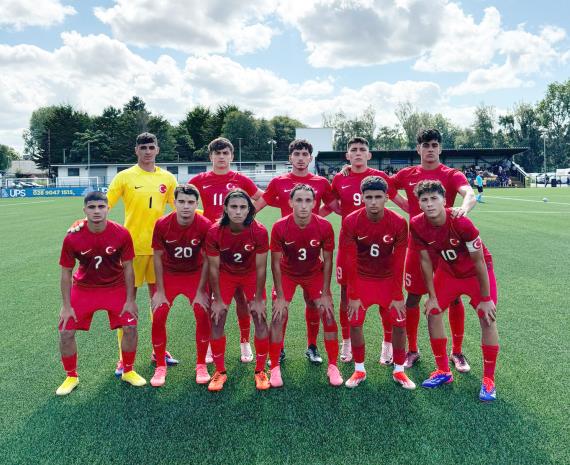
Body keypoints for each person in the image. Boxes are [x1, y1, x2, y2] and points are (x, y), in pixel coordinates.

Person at [392, 128, 476, 371]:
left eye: (434, 145)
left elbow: (469, 193)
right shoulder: (407, 174)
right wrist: (407, 206)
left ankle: (457, 352)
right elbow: (385, 186)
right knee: (413, 297)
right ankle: (412, 350)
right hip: (417, 246)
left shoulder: (451, 174)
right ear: (418, 148)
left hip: (445, 248)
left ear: (440, 148)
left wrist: (464, 208)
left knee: (454, 297)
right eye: (425, 145)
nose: (430, 149)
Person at [410, 180, 500, 401]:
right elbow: (425, 261)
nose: (429, 204)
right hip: (448, 272)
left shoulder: (461, 222)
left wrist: (486, 298)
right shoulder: (416, 223)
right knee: (433, 312)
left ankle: (489, 380)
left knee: (487, 317)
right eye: (424, 200)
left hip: (475, 273)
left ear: (444, 200)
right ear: (419, 203)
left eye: (434, 198)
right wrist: (431, 296)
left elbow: (479, 261)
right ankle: (443, 371)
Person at [56, 192, 146, 395]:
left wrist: (131, 300)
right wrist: (66, 306)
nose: (96, 211)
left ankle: (128, 371)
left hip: (115, 287)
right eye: (92, 207)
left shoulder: (121, 233)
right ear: (84, 210)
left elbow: (129, 268)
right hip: (84, 289)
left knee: (130, 327)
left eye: (101, 207)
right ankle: (71, 376)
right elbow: (66, 272)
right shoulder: (72, 237)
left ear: (108, 208)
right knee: (66, 331)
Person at [330, 137, 409, 365]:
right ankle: (347, 342)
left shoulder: (381, 177)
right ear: (347, 155)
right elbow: (332, 204)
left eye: (362, 149)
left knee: (387, 296)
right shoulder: (340, 178)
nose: (357, 153)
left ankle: (387, 345)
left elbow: (400, 202)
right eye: (353, 150)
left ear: (369, 154)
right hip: (351, 245)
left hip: (381, 246)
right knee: (346, 294)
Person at [257, 138, 336, 365]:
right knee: (280, 306)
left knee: (313, 303)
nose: (301, 158)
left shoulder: (321, 182)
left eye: (305, 154)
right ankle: (279, 349)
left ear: (310, 158)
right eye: (297, 154)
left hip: (311, 253)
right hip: (286, 251)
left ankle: (312, 346)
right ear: (290, 158)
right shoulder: (278, 181)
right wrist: (231, 221)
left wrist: (315, 219)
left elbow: (334, 205)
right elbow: (259, 205)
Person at [189, 137, 264, 364]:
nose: (221, 157)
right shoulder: (199, 180)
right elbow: (183, 199)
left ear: (231, 156)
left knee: (241, 297)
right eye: (217, 153)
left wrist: (246, 217)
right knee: (210, 296)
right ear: (211, 156)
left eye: (225, 153)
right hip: (210, 243)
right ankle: (210, 345)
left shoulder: (240, 179)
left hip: (237, 243)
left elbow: (262, 197)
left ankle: (244, 341)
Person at [342, 176, 415, 389]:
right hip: (362, 279)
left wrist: (397, 295)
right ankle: (359, 369)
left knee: (399, 323)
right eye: (369, 197)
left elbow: (399, 261)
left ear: (386, 198)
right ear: (362, 198)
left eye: (378, 197)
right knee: (355, 322)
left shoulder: (398, 222)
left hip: (387, 280)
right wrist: (353, 295)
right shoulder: (351, 221)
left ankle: (399, 370)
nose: (373, 202)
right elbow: (349, 260)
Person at [268, 184, 342, 387]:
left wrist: (325, 292)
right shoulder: (280, 226)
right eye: (298, 200)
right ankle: (275, 364)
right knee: (278, 314)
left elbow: (328, 260)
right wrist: (280, 296)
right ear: (290, 202)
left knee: (327, 312)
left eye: (308, 200)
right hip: (288, 273)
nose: (303, 205)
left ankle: (330, 363)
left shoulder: (324, 226)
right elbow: (275, 263)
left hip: (313, 273)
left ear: (314, 203)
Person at [205, 189, 270, 391]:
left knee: (260, 316)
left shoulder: (259, 231)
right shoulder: (214, 231)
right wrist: (216, 298)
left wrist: (258, 299)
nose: (238, 211)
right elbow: (213, 268)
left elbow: (261, 267)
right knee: (217, 316)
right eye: (234, 207)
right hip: (226, 275)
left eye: (243, 207)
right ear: (225, 208)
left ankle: (260, 370)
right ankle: (220, 371)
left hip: (250, 275)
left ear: (249, 209)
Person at [149, 184, 212, 387]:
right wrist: (159, 290)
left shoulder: (205, 225)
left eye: (190, 202)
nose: (186, 206)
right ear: (174, 202)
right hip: (170, 274)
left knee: (202, 312)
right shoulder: (162, 224)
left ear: (197, 204)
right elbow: (157, 257)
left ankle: (201, 364)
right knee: (159, 314)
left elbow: (207, 259)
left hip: (195, 274)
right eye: (182, 201)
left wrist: (201, 290)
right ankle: (160, 365)